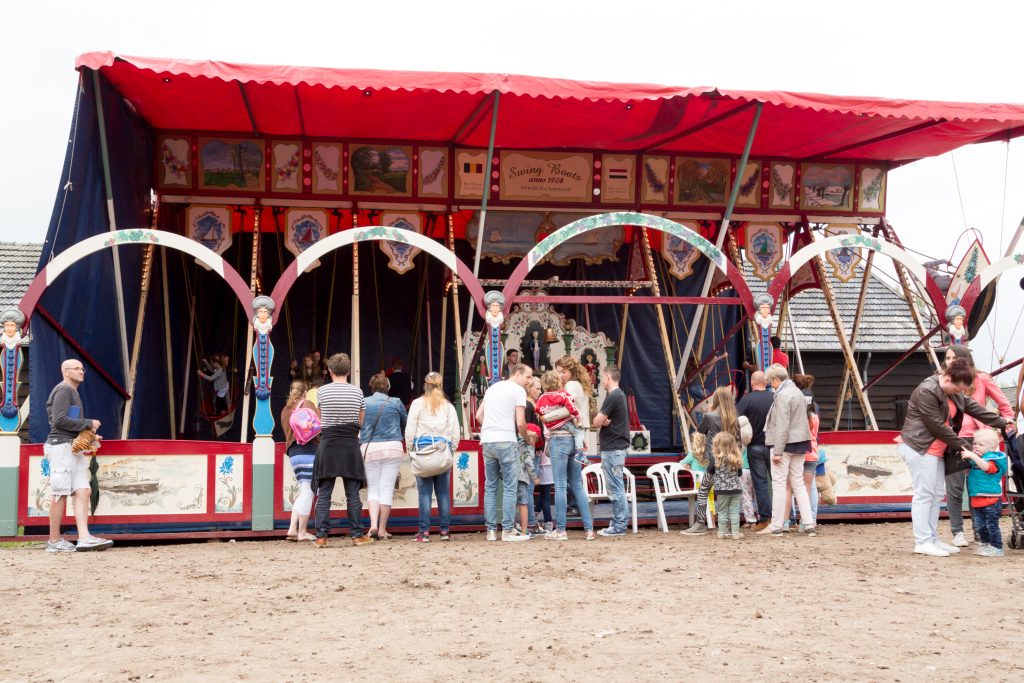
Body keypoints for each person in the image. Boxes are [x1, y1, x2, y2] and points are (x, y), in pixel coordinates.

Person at [897, 357, 1011, 557]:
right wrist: (970, 449)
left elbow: (975, 409)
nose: (960, 394)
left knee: (936, 493)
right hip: (920, 447)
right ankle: (922, 541)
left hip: (937, 450)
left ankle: (932, 538)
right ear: (947, 378)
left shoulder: (954, 392)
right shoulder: (926, 391)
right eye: (958, 389)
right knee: (924, 494)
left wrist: (1003, 421)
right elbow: (939, 428)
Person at [942, 345, 1014, 547]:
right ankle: (957, 532)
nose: (949, 362)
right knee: (955, 488)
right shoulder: (943, 381)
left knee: (977, 487)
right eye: (947, 358)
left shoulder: (981, 378)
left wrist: (1005, 424)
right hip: (954, 439)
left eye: (953, 358)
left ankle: (979, 530)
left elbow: (1003, 402)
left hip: (979, 439)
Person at [44, 359, 112, 552]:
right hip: (60, 447)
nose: (82, 371)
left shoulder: (71, 391)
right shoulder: (64, 389)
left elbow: (64, 421)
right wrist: (88, 424)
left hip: (70, 447)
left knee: (83, 491)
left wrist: (88, 436)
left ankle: (84, 538)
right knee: (60, 493)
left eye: (82, 368)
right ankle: (54, 541)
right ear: (65, 371)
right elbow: (59, 421)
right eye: (77, 368)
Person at [313, 353, 371, 548]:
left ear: (330, 371)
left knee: (325, 493)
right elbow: (361, 421)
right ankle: (356, 535)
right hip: (349, 445)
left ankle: (321, 537)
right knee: (353, 494)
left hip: (328, 444)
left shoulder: (322, 392)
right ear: (348, 371)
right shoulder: (358, 392)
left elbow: (320, 419)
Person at [475, 362, 533, 541]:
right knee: (510, 486)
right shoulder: (518, 391)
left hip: (488, 440)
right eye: (528, 376)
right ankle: (507, 529)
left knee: (490, 486)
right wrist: (526, 437)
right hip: (506, 440)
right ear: (517, 374)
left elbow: (478, 415)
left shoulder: (493, 388)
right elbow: (521, 422)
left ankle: (491, 530)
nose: (529, 381)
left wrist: (491, 428)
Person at [757, 364, 816, 537]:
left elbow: (782, 425)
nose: (769, 384)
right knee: (798, 483)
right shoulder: (797, 392)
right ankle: (808, 523)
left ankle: (776, 525)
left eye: (770, 381)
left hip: (784, 443)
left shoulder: (782, 395)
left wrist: (777, 451)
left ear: (776, 379)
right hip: (801, 442)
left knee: (779, 484)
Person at [405, 371, 460, 542]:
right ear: (441, 385)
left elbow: (410, 430)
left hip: (422, 452)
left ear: (425, 385)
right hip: (442, 452)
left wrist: (410, 450)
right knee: (443, 494)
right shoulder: (448, 407)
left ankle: (424, 532)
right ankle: (444, 531)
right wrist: (450, 452)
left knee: (424, 494)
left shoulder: (417, 404)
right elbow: (455, 433)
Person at [544, 361, 596, 541]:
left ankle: (561, 530)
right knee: (577, 484)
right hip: (576, 439)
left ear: (570, 371)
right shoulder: (579, 385)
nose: (559, 375)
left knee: (559, 486)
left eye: (562, 371)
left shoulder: (570, 386)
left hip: (561, 437)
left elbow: (565, 408)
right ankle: (589, 529)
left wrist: (547, 417)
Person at [682, 386, 740, 535]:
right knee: (727, 493)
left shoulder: (710, 416)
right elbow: (739, 441)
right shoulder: (734, 418)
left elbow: (700, 432)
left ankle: (700, 524)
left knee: (703, 491)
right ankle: (728, 526)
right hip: (732, 462)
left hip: (715, 462)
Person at [361, 372, 408, 540]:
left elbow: (359, 424)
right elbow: (406, 423)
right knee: (387, 488)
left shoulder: (364, 403)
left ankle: (373, 525)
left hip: (370, 447)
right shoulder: (395, 402)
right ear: (387, 387)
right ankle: (382, 529)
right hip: (393, 447)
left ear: (371, 387)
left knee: (373, 488)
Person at [592, 365, 631, 537]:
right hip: (617, 447)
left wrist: (601, 419)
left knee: (615, 488)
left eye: (602, 377)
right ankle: (618, 523)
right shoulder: (619, 395)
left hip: (613, 448)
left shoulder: (612, 396)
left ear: (608, 377)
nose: (601, 381)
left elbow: (596, 422)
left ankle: (619, 525)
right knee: (617, 487)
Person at [280, 381, 318, 542]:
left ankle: (292, 529)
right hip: (309, 450)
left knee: (303, 490)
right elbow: (319, 425)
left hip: (294, 454)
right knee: (308, 492)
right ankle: (302, 531)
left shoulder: (285, 410)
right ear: (305, 393)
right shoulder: (308, 404)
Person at [961, 427, 1008, 557]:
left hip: (991, 500)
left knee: (991, 525)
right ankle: (986, 545)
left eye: (980, 444)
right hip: (977, 499)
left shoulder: (992, 459)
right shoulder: (975, 459)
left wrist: (972, 456)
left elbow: (987, 467)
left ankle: (997, 548)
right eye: (974, 443)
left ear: (991, 448)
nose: (976, 446)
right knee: (980, 526)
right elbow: (968, 473)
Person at [736, 371, 774, 529]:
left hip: (754, 445)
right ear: (766, 382)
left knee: (761, 483)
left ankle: (765, 519)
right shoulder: (775, 397)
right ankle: (788, 518)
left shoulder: (746, 400)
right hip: (775, 446)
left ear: (752, 383)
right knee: (780, 483)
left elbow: (736, 422)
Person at [535, 371, 585, 460]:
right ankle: (580, 454)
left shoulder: (542, 397)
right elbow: (570, 405)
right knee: (578, 432)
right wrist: (577, 416)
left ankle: (551, 451)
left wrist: (545, 416)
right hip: (563, 423)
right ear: (558, 382)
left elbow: (538, 410)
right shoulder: (561, 395)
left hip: (551, 426)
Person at [527, 377, 554, 533]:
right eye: (537, 388)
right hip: (535, 451)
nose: (540, 391)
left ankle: (533, 519)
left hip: (539, 451)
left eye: (540, 388)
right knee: (533, 488)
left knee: (537, 489)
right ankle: (532, 522)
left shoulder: (537, 407)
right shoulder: (529, 406)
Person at [710, 432, 745, 539]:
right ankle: (735, 533)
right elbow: (740, 474)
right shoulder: (736, 459)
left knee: (722, 512)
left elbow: (710, 471)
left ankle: (722, 532)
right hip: (736, 489)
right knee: (734, 512)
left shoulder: (715, 460)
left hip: (722, 491)